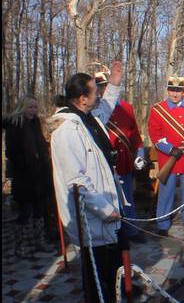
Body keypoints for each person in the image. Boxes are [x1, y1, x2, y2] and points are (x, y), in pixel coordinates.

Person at [48, 61, 126, 302]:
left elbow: (108, 107)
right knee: (96, 278)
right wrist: (106, 210)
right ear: (82, 98)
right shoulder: (67, 131)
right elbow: (76, 181)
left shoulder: (88, 118)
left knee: (112, 271)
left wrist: (114, 83)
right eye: (95, 90)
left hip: (107, 212)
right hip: (94, 218)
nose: (99, 94)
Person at [148, 76, 184, 235]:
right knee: (166, 192)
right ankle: (163, 224)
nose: (175, 94)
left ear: (183, 91)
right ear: (167, 90)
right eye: (172, 90)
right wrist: (170, 149)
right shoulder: (158, 109)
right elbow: (154, 134)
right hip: (169, 158)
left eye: (178, 90)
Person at [95, 71, 147, 243]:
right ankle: (114, 233)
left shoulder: (127, 107)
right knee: (109, 200)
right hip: (105, 162)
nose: (104, 90)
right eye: (101, 87)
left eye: (106, 86)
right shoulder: (95, 111)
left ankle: (131, 231)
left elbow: (134, 135)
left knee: (127, 198)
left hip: (125, 161)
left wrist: (139, 154)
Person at [3, 95, 54, 258]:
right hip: (24, 174)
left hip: (39, 173)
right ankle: (19, 246)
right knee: (26, 210)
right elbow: (11, 151)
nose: (33, 110)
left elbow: (39, 144)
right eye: (30, 107)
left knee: (40, 209)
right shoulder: (15, 124)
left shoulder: (35, 123)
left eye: (35, 107)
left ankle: (39, 241)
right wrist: (24, 164)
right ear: (22, 107)